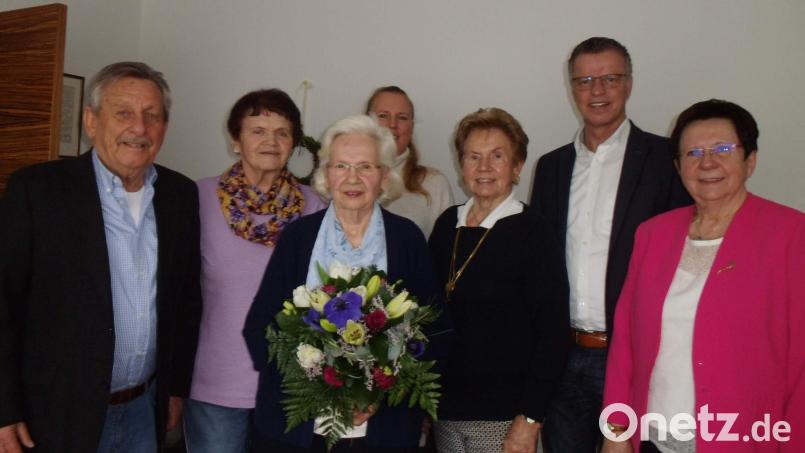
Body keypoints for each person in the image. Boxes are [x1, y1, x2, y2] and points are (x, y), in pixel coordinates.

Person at [0, 62, 202, 453]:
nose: (139, 128)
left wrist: (175, 389)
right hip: (55, 414)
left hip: (144, 407)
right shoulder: (36, 191)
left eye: (152, 116)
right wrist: (3, 408)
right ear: (91, 121)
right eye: (123, 113)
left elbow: (185, 303)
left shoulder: (180, 194)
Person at [601, 99, 805, 452]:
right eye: (693, 153)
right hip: (653, 434)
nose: (707, 163)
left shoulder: (790, 235)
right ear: (678, 167)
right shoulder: (653, 234)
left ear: (750, 160)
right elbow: (626, 342)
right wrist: (616, 429)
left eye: (722, 149)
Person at [529, 37, 691, 452]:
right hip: (563, 354)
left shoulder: (665, 160)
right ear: (572, 88)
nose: (597, 90)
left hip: (632, 354)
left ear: (629, 84)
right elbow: (540, 265)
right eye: (585, 80)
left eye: (610, 79)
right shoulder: (551, 167)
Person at [243, 114, 438, 452]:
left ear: (384, 176)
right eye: (341, 166)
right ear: (325, 174)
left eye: (365, 167)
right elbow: (260, 326)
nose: (352, 178)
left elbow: (435, 330)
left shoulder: (407, 239)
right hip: (297, 430)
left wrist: (382, 391)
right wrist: (310, 384)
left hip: (384, 431)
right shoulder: (297, 238)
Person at [184, 89, 326, 453]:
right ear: (235, 140)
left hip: (289, 383)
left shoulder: (315, 206)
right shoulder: (198, 198)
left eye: (282, 132)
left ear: (293, 143)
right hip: (215, 385)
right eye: (258, 130)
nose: (271, 141)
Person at [430, 108, 569, 453]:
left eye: (497, 156)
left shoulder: (534, 231)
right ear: (461, 164)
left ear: (517, 166)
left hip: (505, 417)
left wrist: (530, 418)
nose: (484, 167)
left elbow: (553, 334)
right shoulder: (447, 225)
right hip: (445, 411)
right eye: (473, 156)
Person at [366, 86, 454, 237]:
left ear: (411, 127)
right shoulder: (345, 177)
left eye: (402, 117)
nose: (392, 124)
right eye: (383, 116)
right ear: (366, 122)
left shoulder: (434, 184)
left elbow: (446, 246)